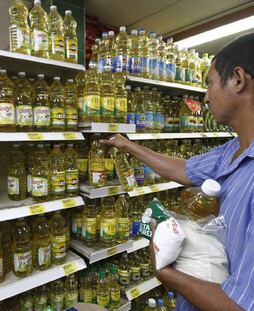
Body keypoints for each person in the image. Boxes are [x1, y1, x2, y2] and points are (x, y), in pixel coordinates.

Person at [101, 33, 254, 310]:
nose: (205, 97)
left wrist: (166, 273)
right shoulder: (230, 150)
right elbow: (184, 169)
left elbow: (241, 306)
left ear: (238, 80)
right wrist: (129, 146)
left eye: (209, 85)